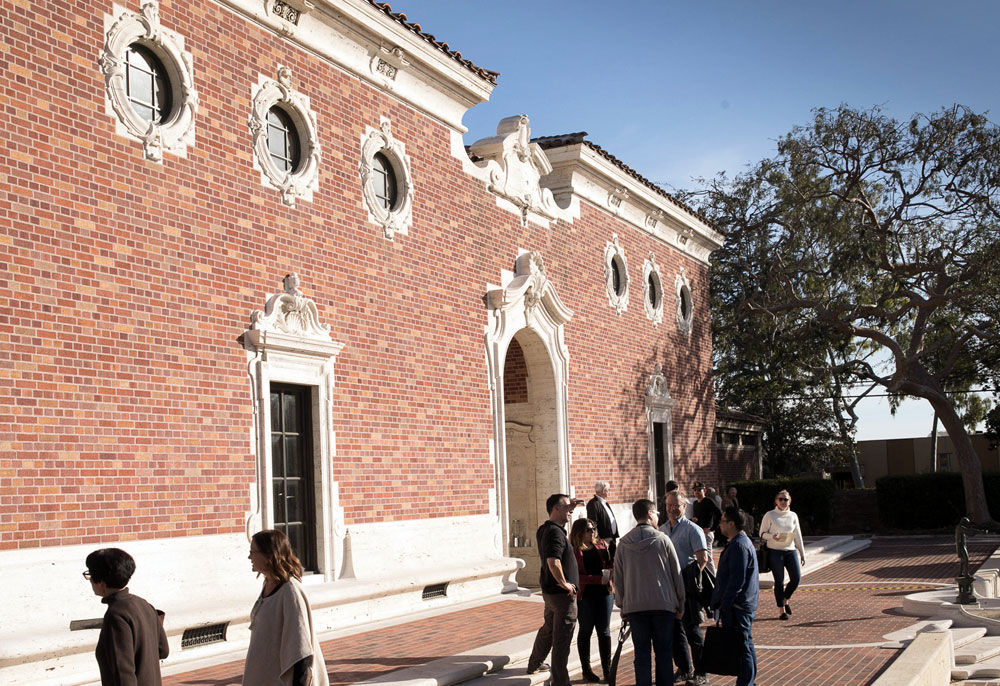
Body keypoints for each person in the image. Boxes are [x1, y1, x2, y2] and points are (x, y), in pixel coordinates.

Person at [244, 530, 329, 686]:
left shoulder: (290, 591)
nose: (249, 557)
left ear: (269, 556)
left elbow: (300, 649)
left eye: (252, 552)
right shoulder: (267, 584)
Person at [614, 499, 685, 686]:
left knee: (642, 653)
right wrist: (681, 601)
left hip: (635, 606)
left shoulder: (623, 543)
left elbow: (618, 579)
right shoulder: (663, 540)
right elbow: (676, 574)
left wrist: (622, 604)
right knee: (663, 652)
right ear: (650, 514)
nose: (658, 517)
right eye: (656, 513)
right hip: (663, 604)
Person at [84, 547, 169, 686]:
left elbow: (122, 671)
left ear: (102, 582)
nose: (90, 580)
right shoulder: (144, 604)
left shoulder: (116, 615)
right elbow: (163, 651)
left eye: (90, 576)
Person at [527, 494, 579, 686]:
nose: (571, 511)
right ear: (556, 509)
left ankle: (535, 662)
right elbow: (553, 561)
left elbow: (552, 559)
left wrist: (570, 504)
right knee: (562, 640)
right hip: (561, 595)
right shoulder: (556, 533)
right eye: (567, 507)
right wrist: (564, 583)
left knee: (548, 629)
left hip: (550, 593)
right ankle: (560, 682)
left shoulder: (545, 529)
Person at [660, 491, 710, 686]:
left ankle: (701, 672)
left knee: (693, 632)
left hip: (688, 589)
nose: (673, 508)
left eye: (677, 505)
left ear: (684, 506)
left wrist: (691, 579)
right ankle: (683, 668)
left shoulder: (693, 529)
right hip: (667, 589)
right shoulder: (662, 530)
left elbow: (702, 559)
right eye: (669, 505)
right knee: (674, 631)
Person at [710, 507, 758, 686]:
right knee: (746, 643)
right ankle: (749, 679)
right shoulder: (740, 543)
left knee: (742, 646)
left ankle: (746, 681)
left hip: (738, 606)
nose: (720, 525)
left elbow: (737, 579)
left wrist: (726, 603)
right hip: (741, 605)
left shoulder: (739, 546)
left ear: (731, 523)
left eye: (722, 521)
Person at [570, 518, 614, 683]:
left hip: (605, 594)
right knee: (586, 631)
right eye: (589, 529)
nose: (593, 532)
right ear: (580, 532)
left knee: (604, 632)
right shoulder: (574, 551)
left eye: (594, 528)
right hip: (586, 596)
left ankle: (608, 670)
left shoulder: (601, 545)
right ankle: (586, 670)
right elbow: (575, 577)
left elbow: (610, 563)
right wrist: (597, 579)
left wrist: (611, 569)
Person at [758, 489, 806, 620]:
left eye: (785, 499)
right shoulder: (770, 515)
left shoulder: (793, 516)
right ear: (776, 501)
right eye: (780, 499)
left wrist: (802, 553)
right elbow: (761, 533)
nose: (783, 502)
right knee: (779, 581)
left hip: (790, 551)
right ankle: (781, 610)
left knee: (796, 578)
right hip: (775, 551)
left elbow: (798, 535)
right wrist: (772, 536)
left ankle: (786, 598)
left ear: (789, 501)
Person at [690, 482, 722, 575]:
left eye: (699, 490)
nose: (696, 492)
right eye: (695, 490)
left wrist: (712, 528)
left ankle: (713, 579)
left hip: (706, 533)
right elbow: (696, 516)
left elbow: (719, 514)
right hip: (698, 533)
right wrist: (693, 520)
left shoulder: (708, 501)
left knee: (708, 557)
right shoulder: (695, 503)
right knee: (699, 557)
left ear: (704, 491)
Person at [586, 481, 620, 560]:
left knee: (613, 560)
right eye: (608, 490)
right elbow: (593, 522)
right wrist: (597, 538)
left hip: (611, 538)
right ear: (603, 491)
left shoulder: (605, 503)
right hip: (603, 539)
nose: (609, 492)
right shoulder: (593, 504)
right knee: (606, 560)